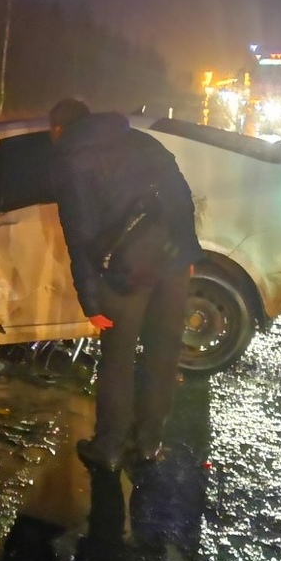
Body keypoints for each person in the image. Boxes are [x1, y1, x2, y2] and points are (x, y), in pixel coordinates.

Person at [48, 98, 203, 473]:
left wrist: (91, 301)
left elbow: (80, 237)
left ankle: (110, 446)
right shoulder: (145, 143)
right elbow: (182, 200)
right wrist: (187, 254)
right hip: (171, 267)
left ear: (58, 130)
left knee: (117, 362)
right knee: (162, 355)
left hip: (125, 274)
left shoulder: (74, 162)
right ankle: (149, 442)